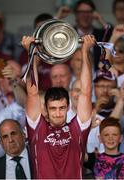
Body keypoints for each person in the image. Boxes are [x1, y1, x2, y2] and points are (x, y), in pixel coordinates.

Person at [21, 34, 95, 179]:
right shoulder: (37, 128)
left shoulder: (77, 129)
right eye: (53, 108)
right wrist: (31, 52)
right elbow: (32, 92)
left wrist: (85, 50)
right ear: (46, 110)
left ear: (68, 108)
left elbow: (86, 92)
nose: (57, 113)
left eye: (61, 108)